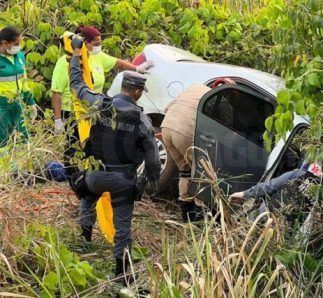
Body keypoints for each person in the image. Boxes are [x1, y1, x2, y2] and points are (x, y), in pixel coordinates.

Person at [68, 37, 160, 281]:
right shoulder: (142, 120)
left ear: (122, 88)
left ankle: (84, 241)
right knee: (123, 228)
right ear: (138, 92)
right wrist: (152, 184)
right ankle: (121, 274)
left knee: (87, 198)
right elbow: (153, 159)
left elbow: (77, 85)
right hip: (123, 180)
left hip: (95, 175)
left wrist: (77, 53)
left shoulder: (100, 103)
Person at [52, 25, 154, 131]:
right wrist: (58, 119)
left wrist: (137, 68)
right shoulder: (65, 62)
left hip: (93, 110)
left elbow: (117, 62)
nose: (99, 46)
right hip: (72, 113)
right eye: (96, 44)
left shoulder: (97, 56)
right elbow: (56, 92)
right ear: (85, 43)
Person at [160, 84, 211, 212]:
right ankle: (199, 211)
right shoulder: (214, 97)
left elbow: (167, 108)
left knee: (185, 170)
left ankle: (185, 209)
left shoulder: (193, 87)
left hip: (166, 128)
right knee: (200, 172)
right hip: (183, 133)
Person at [0, 26, 37, 148]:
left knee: (23, 138)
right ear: (5, 43)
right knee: (2, 140)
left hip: (18, 102)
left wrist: (30, 102)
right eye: (16, 44)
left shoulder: (20, 56)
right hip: (2, 105)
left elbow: (23, 81)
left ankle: (22, 165)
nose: (19, 46)